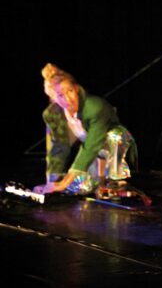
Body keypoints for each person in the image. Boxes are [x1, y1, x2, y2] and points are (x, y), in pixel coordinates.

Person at [34, 64, 137, 195]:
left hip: (111, 147)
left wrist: (64, 183)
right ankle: (101, 181)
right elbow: (58, 148)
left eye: (70, 91)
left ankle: (116, 181)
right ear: (54, 98)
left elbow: (92, 145)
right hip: (94, 155)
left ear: (76, 89)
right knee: (82, 188)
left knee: (115, 135)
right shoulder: (53, 114)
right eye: (60, 95)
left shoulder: (95, 106)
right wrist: (52, 183)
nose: (67, 99)